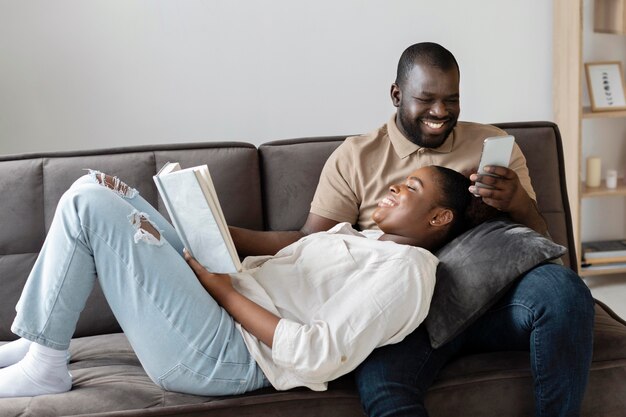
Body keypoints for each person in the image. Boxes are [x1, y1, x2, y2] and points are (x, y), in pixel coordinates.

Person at [229, 42, 595, 416]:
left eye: (451, 100)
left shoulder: (494, 146)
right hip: (404, 312)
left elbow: (541, 244)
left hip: (492, 297)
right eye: (427, 99)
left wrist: (516, 202)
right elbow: (311, 241)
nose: (440, 112)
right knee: (381, 385)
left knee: (562, 289)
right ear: (396, 94)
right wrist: (229, 235)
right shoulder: (356, 157)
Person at [0, 165, 472, 398]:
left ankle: (45, 363)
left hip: (229, 355)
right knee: (94, 187)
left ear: (440, 217)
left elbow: (318, 352)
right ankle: (42, 340)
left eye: (411, 189)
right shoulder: (363, 237)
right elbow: (285, 268)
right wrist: (201, 226)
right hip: (220, 307)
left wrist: (223, 290)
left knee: (90, 210)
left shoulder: (408, 270)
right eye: (397, 181)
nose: (393, 187)